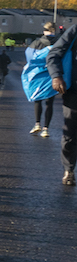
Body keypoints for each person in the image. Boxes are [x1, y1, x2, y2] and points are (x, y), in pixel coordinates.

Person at [45, 23, 77, 186]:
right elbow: (54, 55)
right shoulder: (75, 29)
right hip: (74, 93)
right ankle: (69, 169)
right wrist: (56, 76)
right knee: (70, 135)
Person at [29, 23, 60, 136]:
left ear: (44, 30)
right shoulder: (59, 42)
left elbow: (29, 57)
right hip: (52, 74)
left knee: (37, 99)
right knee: (49, 102)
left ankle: (37, 123)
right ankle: (46, 129)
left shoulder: (37, 42)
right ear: (54, 30)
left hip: (38, 74)